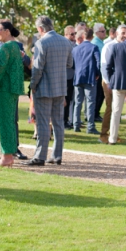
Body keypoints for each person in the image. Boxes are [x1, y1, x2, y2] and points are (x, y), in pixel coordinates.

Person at [28, 16, 75, 166]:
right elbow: (69, 64)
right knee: (58, 123)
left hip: (44, 87)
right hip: (60, 87)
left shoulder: (42, 42)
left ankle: (40, 156)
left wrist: (32, 85)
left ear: (41, 29)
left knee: (42, 123)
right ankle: (57, 155)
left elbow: (37, 69)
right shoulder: (65, 41)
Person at [0, 18, 30, 160]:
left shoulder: (5, 47)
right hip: (13, 89)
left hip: (5, 89)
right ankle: (9, 155)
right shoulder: (16, 46)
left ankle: (6, 157)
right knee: (10, 121)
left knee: (4, 122)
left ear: (7, 31)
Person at [99, 25, 126, 144]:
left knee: (117, 109)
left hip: (120, 81)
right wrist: (108, 82)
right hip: (109, 81)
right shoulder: (109, 46)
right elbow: (104, 66)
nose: (124, 35)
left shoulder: (125, 46)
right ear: (116, 33)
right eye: (122, 33)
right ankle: (103, 134)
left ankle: (113, 134)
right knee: (110, 107)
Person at [72, 27, 100, 134]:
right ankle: (90, 126)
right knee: (90, 102)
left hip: (78, 77)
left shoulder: (75, 48)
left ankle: (76, 124)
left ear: (83, 36)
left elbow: (73, 63)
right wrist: (97, 74)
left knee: (78, 102)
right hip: (90, 77)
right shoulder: (94, 47)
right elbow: (98, 62)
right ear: (92, 37)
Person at [63, 25, 77, 129]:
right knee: (65, 99)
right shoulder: (64, 44)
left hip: (71, 75)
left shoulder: (74, 45)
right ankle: (63, 120)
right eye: (72, 34)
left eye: (75, 33)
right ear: (66, 35)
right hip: (65, 75)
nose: (74, 36)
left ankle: (67, 120)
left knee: (70, 99)